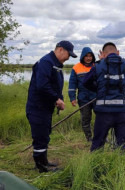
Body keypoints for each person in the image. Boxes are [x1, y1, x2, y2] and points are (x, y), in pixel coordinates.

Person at [26, 40, 77, 173]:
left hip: (45, 108)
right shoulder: (46, 62)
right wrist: (56, 99)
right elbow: (42, 86)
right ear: (60, 49)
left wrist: (58, 99)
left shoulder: (56, 64)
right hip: (37, 108)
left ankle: (44, 162)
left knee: (44, 135)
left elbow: (54, 84)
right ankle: (41, 167)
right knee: (40, 136)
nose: (68, 58)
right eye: (68, 54)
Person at [83, 42, 125, 152]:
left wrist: (99, 91)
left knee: (98, 144)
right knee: (124, 146)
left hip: (103, 112)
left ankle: (95, 166)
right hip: (123, 112)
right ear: (118, 52)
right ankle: (123, 167)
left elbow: (85, 82)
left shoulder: (98, 66)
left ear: (103, 54)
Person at [68, 47, 97, 141]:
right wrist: (72, 98)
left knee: (101, 118)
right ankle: (89, 138)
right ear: (82, 57)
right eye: (86, 56)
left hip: (97, 98)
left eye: (90, 56)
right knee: (85, 119)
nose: (88, 58)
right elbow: (72, 84)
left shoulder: (97, 66)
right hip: (83, 99)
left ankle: (99, 136)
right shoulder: (76, 67)